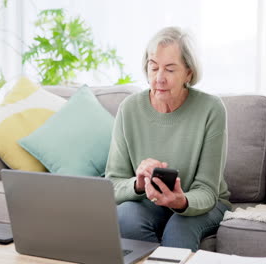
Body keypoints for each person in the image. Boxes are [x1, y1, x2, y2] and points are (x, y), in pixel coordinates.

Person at [105, 26, 231, 251]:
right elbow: (113, 183)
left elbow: (207, 191)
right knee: (125, 216)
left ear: (188, 73)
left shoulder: (211, 109)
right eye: (153, 68)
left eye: (170, 70)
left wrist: (180, 201)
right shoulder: (129, 109)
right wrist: (138, 184)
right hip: (149, 202)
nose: (159, 78)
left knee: (179, 230)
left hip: (201, 203)